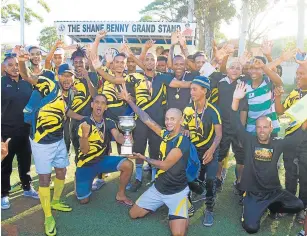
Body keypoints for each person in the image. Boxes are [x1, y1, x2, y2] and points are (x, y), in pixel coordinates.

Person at [92, 42, 192, 192]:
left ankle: (153, 178)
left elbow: (183, 84)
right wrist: (98, 67)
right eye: (147, 59)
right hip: (140, 122)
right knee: (138, 149)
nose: (150, 62)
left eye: (153, 60)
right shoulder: (134, 77)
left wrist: (201, 81)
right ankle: (138, 178)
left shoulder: (163, 77)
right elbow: (112, 79)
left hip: (158, 122)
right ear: (143, 62)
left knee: (155, 150)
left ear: (156, 63)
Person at [18, 48, 84, 236]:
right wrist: (22, 61)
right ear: (57, 75)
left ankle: (55, 201)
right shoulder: (48, 84)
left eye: (69, 76)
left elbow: (66, 113)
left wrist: (83, 118)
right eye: (63, 75)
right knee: (45, 178)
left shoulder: (70, 93)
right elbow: (27, 75)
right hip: (41, 141)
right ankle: (48, 215)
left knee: (62, 170)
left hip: (58, 140)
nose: (66, 79)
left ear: (73, 78)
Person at [231, 82, 306, 234]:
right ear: (255, 128)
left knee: (298, 205)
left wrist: (304, 121)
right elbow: (235, 123)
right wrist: (236, 99)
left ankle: (271, 206)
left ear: (271, 128)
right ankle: (249, 204)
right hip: (254, 192)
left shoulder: (277, 144)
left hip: (273, 191)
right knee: (251, 228)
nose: (262, 131)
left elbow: (297, 137)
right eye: (258, 127)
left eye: (265, 127)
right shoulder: (249, 140)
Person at [119, 85, 190, 236]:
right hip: (159, 188)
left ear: (181, 120)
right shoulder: (165, 133)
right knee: (133, 214)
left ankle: (184, 202)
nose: (169, 122)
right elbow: (146, 119)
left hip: (176, 192)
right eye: (167, 119)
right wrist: (129, 101)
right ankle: (162, 204)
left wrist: (144, 158)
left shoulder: (182, 141)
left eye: (173, 119)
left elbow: (164, 165)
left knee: (178, 234)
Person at [76, 94, 134, 205]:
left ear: (106, 107)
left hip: (101, 160)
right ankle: (80, 178)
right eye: (97, 102)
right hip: (85, 164)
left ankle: (121, 195)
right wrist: (84, 135)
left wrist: (126, 138)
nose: (99, 105)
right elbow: (84, 150)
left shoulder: (109, 122)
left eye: (103, 103)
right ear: (92, 105)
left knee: (128, 165)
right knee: (84, 200)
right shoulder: (85, 122)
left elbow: (118, 137)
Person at [183, 76, 222, 227]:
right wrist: (185, 129)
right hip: (193, 150)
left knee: (211, 179)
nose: (191, 92)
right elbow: (183, 126)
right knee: (188, 177)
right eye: (190, 89)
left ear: (204, 90)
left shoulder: (213, 110)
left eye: (194, 89)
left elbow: (219, 134)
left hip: (209, 149)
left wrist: (212, 151)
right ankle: (189, 204)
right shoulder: (188, 108)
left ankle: (209, 209)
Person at [1, 55, 38, 210]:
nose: (15, 67)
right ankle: (3, 194)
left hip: (25, 131)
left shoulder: (26, 83)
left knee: (25, 161)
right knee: (6, 165)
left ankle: (27, 187)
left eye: (16, 64)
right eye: (10, 65)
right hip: (6, 132)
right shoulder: (2, 83)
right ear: (4, 67)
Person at [275, 63, 307, 223]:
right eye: (297, 73)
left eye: (301, 73)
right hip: (291, 139)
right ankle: (289, 204)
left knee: (305, 176)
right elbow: (283, 115)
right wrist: (277, 98)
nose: (298, 76)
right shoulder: (295, 93)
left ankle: (302, 208)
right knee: (290, 174)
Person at [69, 45, 98, 162]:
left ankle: (96, 176)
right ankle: (79, 173)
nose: (78, 64)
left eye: (81, 62)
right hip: (75, 120)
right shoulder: (69, 77)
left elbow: (95, 95)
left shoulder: (92, 75)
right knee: (78, 149)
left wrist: (86, 77)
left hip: (90, 119)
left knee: (92, 148)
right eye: (76, 62)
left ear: (85, 62)